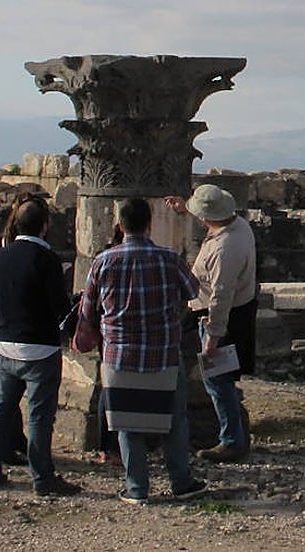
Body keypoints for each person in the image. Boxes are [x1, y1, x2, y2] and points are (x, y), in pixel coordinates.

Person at [75, 198, 207, 504]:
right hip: (162, 352)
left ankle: (137, 488)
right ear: (150, 225)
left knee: (126, 422)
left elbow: (88, 308)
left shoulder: (103, 261)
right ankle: (181, 481)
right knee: (174, 419)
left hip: (119, 354)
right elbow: (192, 290)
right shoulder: (169, 259)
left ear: (121, 226)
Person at [0, 196, 80, 496]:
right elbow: (60, 307)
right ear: (45, 226)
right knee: (39, 416)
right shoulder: (45, 259)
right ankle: (42, 478)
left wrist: (5, 323)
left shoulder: (0, 256)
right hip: (40, 349)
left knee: (0, 410)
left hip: (6, 345)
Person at [164, 184, 257, 463]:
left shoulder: (225, 249)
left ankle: (232, 441)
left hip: (220, 316)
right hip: (229, 308)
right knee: (218, 378)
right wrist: (186, 210)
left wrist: (213, 339)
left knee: (218, 379)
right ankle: (233, 436)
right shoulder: (239, 225)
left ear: (206, 218)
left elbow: (221, 295)